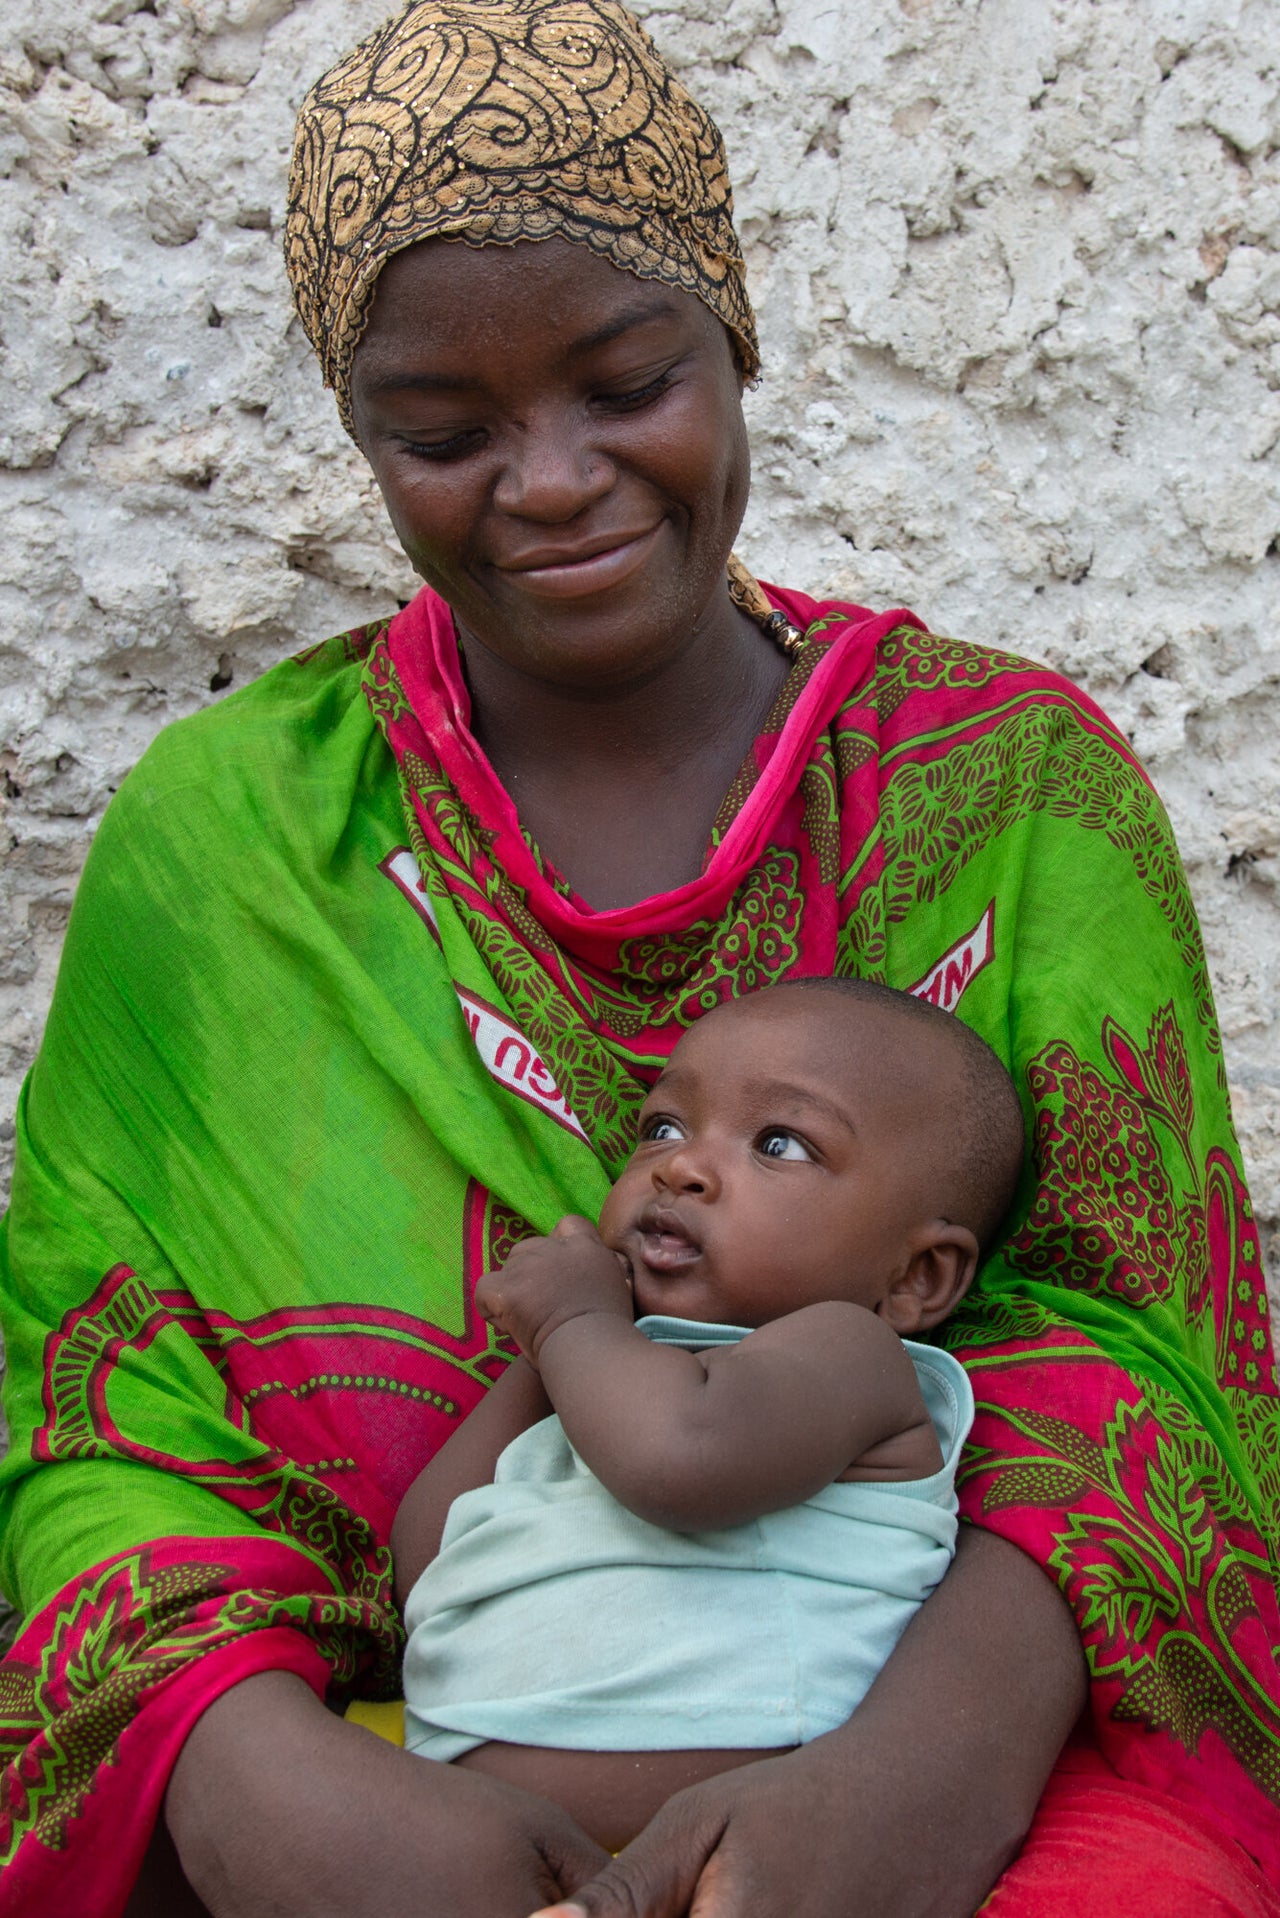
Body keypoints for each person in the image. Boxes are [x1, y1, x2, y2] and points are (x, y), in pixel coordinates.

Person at [0, 2, 1276, 1914]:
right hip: (381, 1765)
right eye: (442, 431)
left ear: (735, 335)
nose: (550, 477)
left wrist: (919, 1772)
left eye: (626, 381)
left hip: (933, 1734)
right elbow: (100, 1410)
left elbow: (1141, 1357)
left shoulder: (1013, 789)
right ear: (362, 439)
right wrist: (267, 1783)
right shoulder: (235, 833)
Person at [394, 979, 1015, 1852]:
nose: (678, 1168)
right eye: (664, 1127)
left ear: (915, 1279)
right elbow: (429, 1564)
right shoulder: (603, 1361)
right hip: (474, 1847)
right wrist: (547, 1353)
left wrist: (575, 1324)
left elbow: (681, 1462)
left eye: (779, 1143)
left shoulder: (852, 1358)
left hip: (745, 1860)